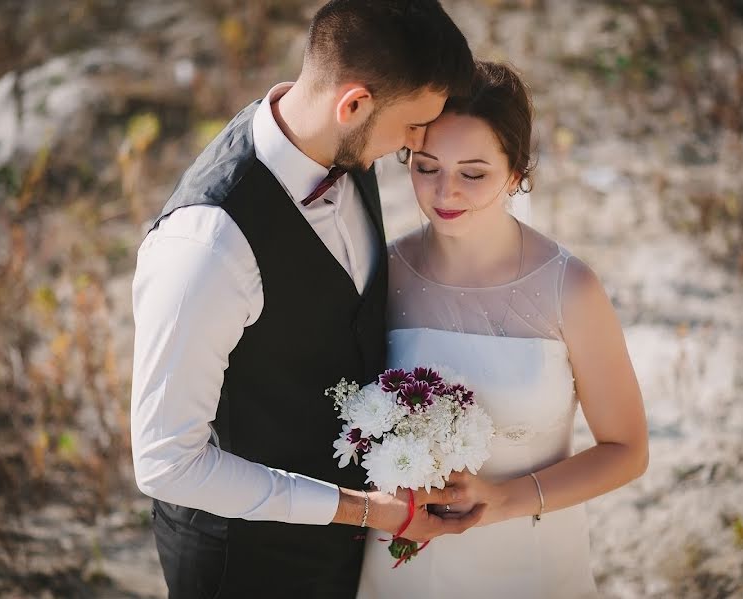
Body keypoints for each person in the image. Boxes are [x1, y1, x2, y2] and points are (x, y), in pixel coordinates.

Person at [130, 2, 480, 597]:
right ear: (354, 105)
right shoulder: (207, 247)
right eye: (413, 125)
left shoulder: (341, 145)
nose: (418, 143)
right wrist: (363, 510)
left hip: (345, 554)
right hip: (244, 565)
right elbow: (167, 463)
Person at [357, 60, 649, 598]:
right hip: (403, 565)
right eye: (426, 167)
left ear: (516, 173)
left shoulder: (571, 288)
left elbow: (627, 449)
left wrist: (504, 500)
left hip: (528, 562)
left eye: (473, 173)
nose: (446, 192)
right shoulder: (383, 275)